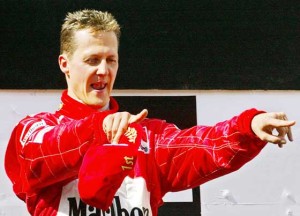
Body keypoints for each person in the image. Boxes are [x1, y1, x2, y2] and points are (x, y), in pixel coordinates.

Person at [5, 9, 295, 216]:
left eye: (111, 59)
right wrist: (99, 129)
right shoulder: (36, 129)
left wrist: (247, 127)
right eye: (92, 60)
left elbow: (200, 146)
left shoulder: (145, 134)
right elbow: (38, 157)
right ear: (64, 64)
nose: (103, 71)